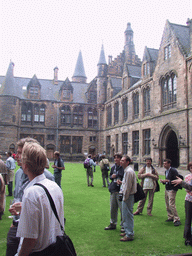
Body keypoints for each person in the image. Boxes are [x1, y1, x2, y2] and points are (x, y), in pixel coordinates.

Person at [6, 137, 54, 256]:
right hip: (16, 225)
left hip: (32, 232)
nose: (16, 156)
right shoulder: (18, 173)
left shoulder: (47, 178)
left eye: (21, 153)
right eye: (17, 152)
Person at [14, 142, 64, 255]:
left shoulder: (31, 193)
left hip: (38, 251)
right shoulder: (54, 186)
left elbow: (30, 239)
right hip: (54, 248)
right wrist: (25, 208)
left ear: (25, 165)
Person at [172, 163, 192, 246]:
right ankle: (187, 238)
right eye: (190, 168)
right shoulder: (188, 176)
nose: (191, 169)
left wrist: (182, 183)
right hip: (189, 200)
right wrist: (185, 184)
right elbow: (188, 190)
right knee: (188, 219)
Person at [117, 155, 137, 242]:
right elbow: (126, 183)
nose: (121, 162)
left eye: (123, 160)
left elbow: (128, 187)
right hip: (127, 196)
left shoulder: (128, 172)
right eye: (121, 160)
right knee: (125, 215)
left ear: (127, 162)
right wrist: (122, 182)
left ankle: (129, 234)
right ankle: (126, 230)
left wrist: (124, 197)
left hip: (128, 196)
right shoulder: (127, 171)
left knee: (128, 215)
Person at [105, 153, 124, 230]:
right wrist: (112, 177)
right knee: (113, 208)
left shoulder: (123, 168)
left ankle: (123, 225)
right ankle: (113, 223)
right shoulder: (113, 167)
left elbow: (123, 176)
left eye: (117, 158)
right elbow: (110, 176)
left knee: (122, 209)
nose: (116, 159)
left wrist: (116, 175)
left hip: (120, 190)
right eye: (115, 158)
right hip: (113, 190)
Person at [160, 159, 181, 226]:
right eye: (164, 163)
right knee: (167, 204)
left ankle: (177, 219)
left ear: (169, 164)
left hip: (172, 189)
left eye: (165, 163)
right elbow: (168, 180)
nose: (164, 165)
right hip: (167, 188)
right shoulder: (166, 171)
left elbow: (176, 180)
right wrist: (164, 181)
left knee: (171, 204)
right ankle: (170, 216)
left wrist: (168, 181)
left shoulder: (173, 170)